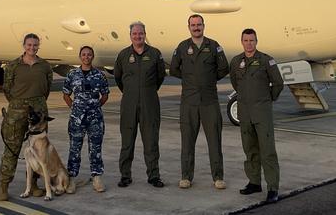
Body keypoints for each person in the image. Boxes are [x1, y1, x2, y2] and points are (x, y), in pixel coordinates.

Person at [170, 14, 229, 190]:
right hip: (189, 101)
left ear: (204, 26)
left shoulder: (213, 46)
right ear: (188, 27)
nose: (196, 27)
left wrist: (208, 80)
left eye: (199, 24)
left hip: (209, 100)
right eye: (193, 25)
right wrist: (190, 81)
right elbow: (174, 69)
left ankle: (218, 177)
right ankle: (186, 177)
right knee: (187, 141)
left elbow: (223, 68)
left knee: (214, 140)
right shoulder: (182, 47)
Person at [230, 28, 284, 203]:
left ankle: (273, 188)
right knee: (250, 149)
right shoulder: (237, 61)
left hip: (262, 113)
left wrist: (267, 98)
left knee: (267, 151)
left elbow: (278, 83)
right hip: (245, 113)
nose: (249, 43)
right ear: (242, 42)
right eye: (246, 40)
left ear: (256, 41)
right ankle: (254, 182)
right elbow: (234, 82)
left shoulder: (266, 60)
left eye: (252, 40)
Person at [0, 33, 53, 201]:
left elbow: (47, 88)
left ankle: (34, 185)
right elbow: (7, 89)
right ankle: (3, 185)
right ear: (24, 45)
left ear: (38, 46)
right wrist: (17, 103)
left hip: (39, 112)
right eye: (29, 45)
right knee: (12, 149)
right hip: (16, 111)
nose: (32, 48)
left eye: (35, 45)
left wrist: (37, 102)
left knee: (38, 151)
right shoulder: (13, 66)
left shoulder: (45, 66)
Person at [114, 21, 166, 188]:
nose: (138, 36)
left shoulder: (155, 54)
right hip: (129, 104)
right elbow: (118, 78)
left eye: (141, 33)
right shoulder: (123, 55)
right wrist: (131, 92)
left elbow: (160, 77)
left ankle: (153, 176)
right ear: (130, 36)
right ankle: (125, 176)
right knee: (127, 142)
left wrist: (147, 91)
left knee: (151, 142)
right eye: (135, 34)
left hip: (149, 103)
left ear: (145, 34)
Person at [62, 46, 110, 193]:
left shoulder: (99, 75)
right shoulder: (72, 74)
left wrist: (94, 107)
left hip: (95, 119)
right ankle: (71, 178)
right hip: (77, 119)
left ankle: (96, 177)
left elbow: (105, 95)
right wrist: (75, 107)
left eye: (89, 54)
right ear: (80, 57)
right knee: (74, 149)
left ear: (92, 57)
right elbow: (66, 94)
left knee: (95, 148)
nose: (86, 57)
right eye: (83, 54)